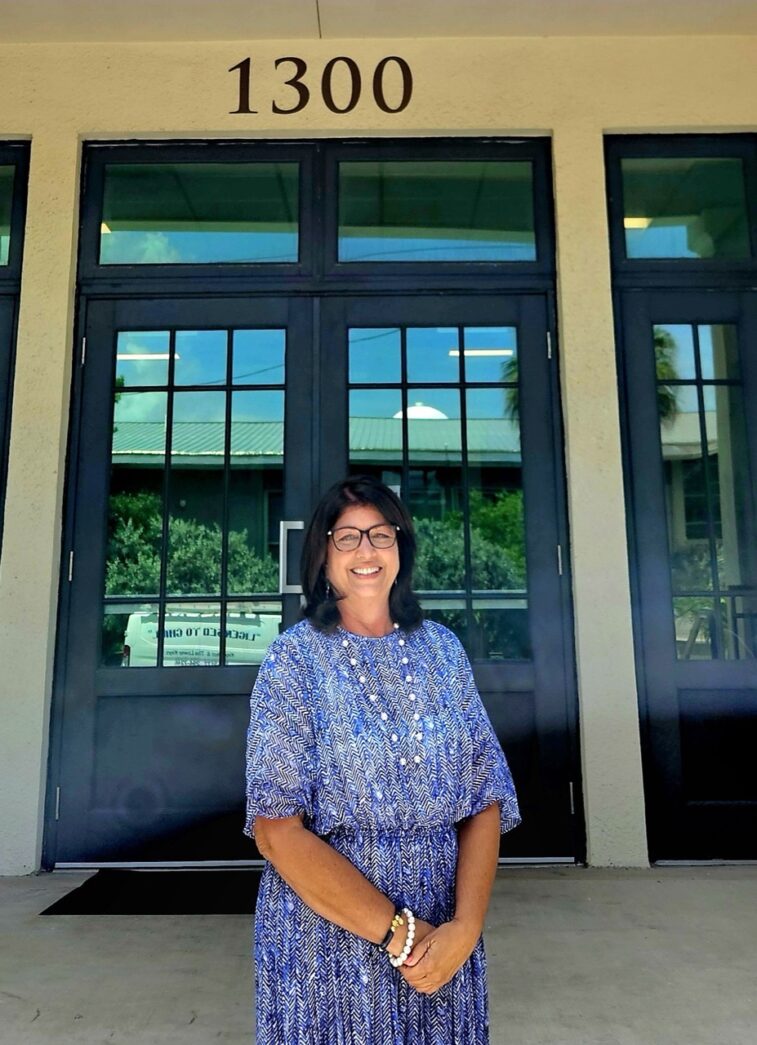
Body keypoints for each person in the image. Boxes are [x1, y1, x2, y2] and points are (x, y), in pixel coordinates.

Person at [244, 475, 521, 1044]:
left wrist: (464, 929)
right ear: (321, 558)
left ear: (400, 549)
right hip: (329, 945)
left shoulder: (442, 650)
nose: (366, 550)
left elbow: (484, 797)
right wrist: (401, 936)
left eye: (380, 534)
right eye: (346, 538)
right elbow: (276, 831)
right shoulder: (292, 661)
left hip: (444, 938)